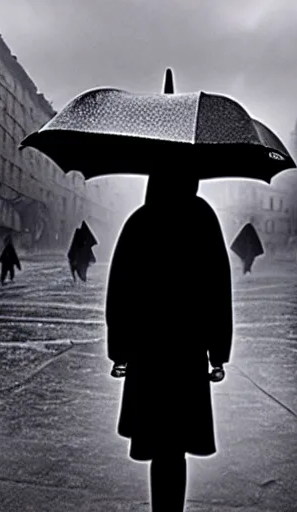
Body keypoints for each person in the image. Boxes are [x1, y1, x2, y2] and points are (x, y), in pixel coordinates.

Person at [106, 169, 232, 512]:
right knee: (176, 445)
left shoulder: (141, 220)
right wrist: (218, 352)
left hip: (148, 350)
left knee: (159, 444)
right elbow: (218, 287)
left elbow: (119, 291)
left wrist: (119, 351)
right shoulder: (202, 217)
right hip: (186, 350)